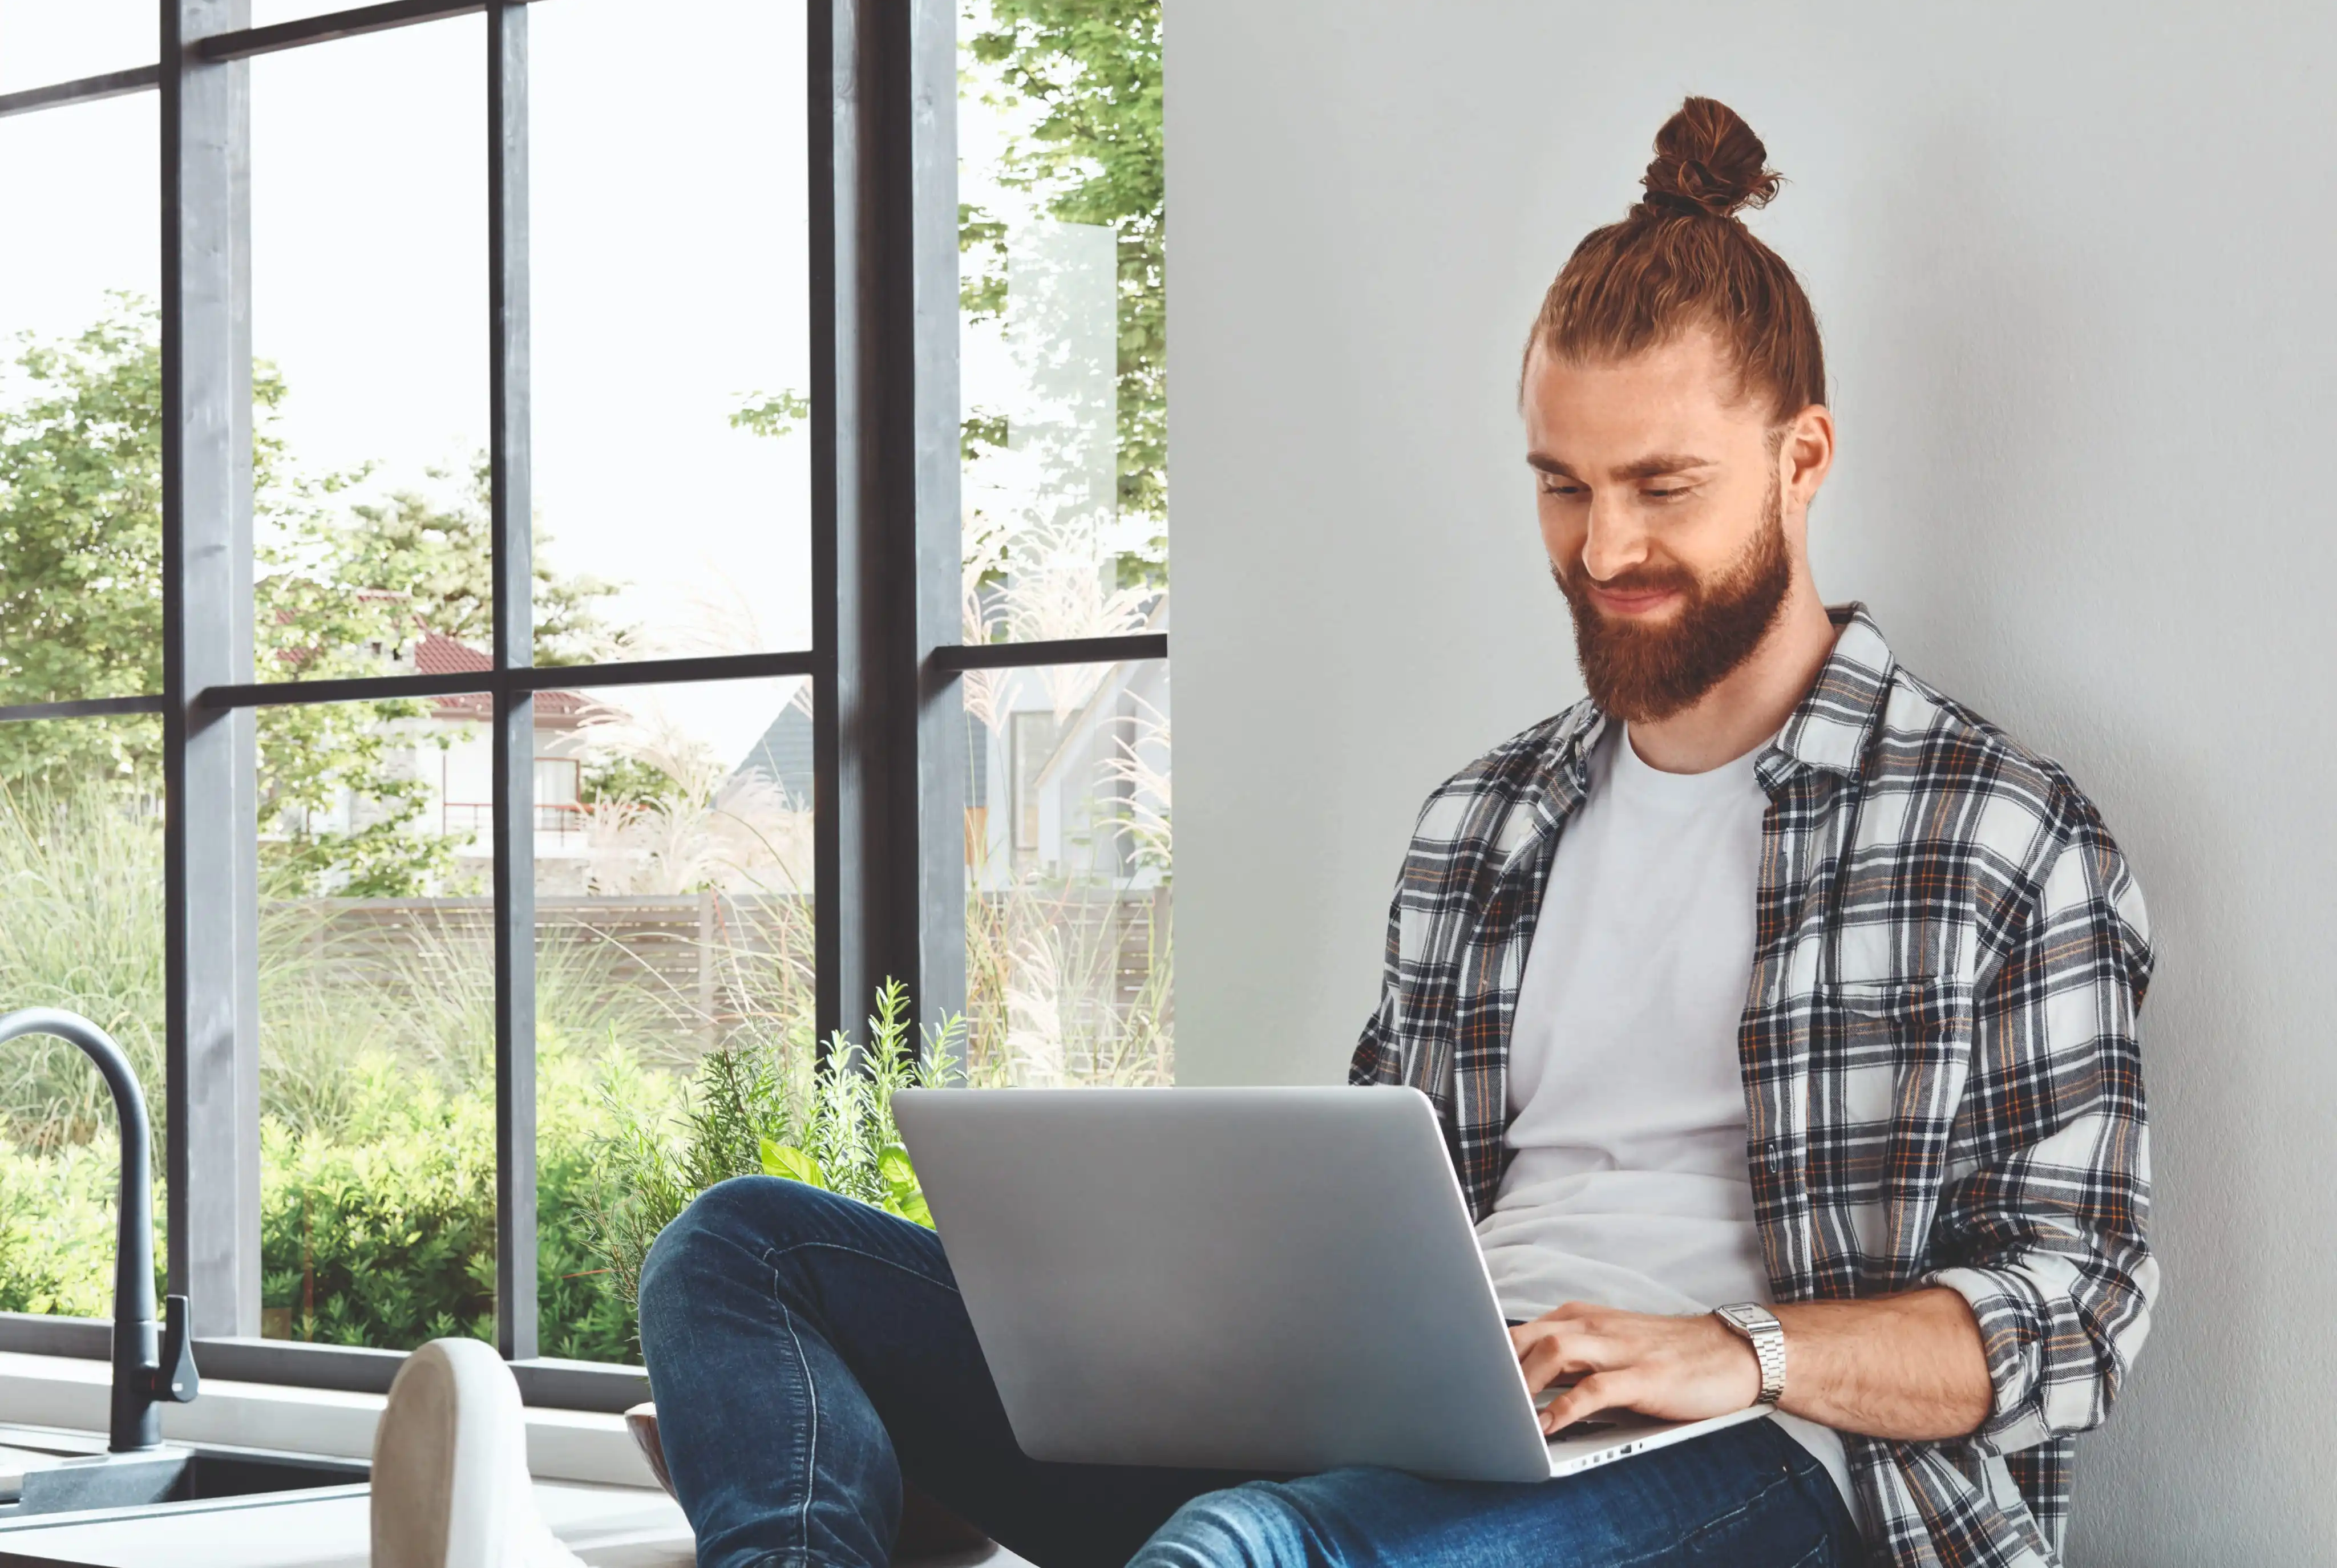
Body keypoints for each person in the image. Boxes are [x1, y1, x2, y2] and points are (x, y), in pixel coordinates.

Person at [630, 97, 2157, 1568]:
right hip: (1425, 1426)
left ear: (1802, 459)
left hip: (1769, 1469)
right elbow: (1381, 1215)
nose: (1604, 548)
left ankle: (874, 1474)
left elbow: (2077, 1307)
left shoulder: (1998, 837)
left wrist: (1734, 1352)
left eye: (1661, 487)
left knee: (1248, 1545)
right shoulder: (1485, 825)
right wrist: (1175, 1337)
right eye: (1562, 488)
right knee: (749, 1244)